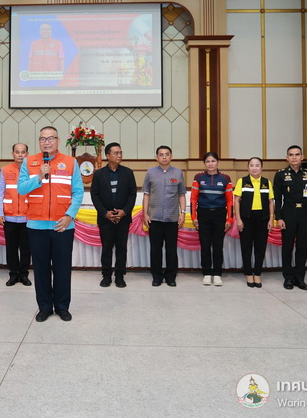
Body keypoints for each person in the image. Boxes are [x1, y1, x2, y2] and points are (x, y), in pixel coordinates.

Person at [17, 126, 83, 322]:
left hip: (62, 225)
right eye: (43, 139)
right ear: (39, 142)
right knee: (41, 269)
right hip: (36, 226)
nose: (47, 142)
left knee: (62, 269)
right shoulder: (29, 162)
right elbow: (21, 189)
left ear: (58, 140)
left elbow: (78, 192)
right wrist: (38, 177)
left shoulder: (70, 162)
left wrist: (70, 216)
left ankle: (62, 307)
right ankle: (44, 307)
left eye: (51, 138)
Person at [90, 142, 137, 288]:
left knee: (122, 248)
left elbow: (132, 194)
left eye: (120, 153)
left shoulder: (128, 173)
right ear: (107, 155)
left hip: (123, 218)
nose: (119, 155)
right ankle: (106, 276)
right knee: (107, 248)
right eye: (116, 153)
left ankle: (120, 276)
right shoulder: (99, 174)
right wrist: (105, 213)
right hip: (105, 218)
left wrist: (124, 212)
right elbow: (95, 195)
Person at [273, 145, 307, 291]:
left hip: (305, 213)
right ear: (287, 158)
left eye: (297, 154)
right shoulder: (281, 174)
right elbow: (277, 199)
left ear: (302, 157)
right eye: (291, 155)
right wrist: (278, 218)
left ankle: (300, 278)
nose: (294, 157)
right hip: (288, 213)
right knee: (287, 246)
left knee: (302, 247)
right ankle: (288, 277)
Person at [142, 145, 187, 287]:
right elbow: (146, 194)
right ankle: (156, 277)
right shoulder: (150, 173)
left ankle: (170, 277)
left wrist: (183, 213)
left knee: (171, 249)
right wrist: (145, 214)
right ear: (156, 157)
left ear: (171, 156)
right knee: (155, 249)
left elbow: (181, 194)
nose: (164, 157)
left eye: (167, 154)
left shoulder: (178, 173)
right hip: (154, 217)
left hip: (172, 218)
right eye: (161, 154)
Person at [191, 151, 233, 286]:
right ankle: (207, 273)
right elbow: (193, 199)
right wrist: (194, 217)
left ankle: (217, 274)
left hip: (219, 215)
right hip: (203, 214)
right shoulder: (198, 177)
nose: (210, 164)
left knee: (218, 246)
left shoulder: (225, 178)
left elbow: (230, 201)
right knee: (205, 245)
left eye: (213, 161)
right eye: (208, 161)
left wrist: (230, 219)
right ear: (204, 163)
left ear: (218, 162)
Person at [233, 157, 275, 288]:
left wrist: (271, 219)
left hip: (262, 219)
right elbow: (236, 201)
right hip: (246, 219)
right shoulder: (242, 181)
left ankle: (257, 273)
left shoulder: (266, 182)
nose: (254, 168)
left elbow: (271, 202)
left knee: (260, 248)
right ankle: (248, 274)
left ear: (261, 168)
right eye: (251, 165)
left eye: (257, 165)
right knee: (246, 247)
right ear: (248, 167)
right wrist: (238, 219)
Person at [0, 143, 32, 286]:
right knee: (11, 248)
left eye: (23, 152)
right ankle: (13, 274)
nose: (20, 155)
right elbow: (0, 192)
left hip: (27, 217)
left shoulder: (31, 170)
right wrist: (0, 212)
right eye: (17, 152)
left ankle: (23, 274)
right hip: (9, 216)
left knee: (25, 249)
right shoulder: (5, 170)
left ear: (27, 154)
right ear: (13, 154)